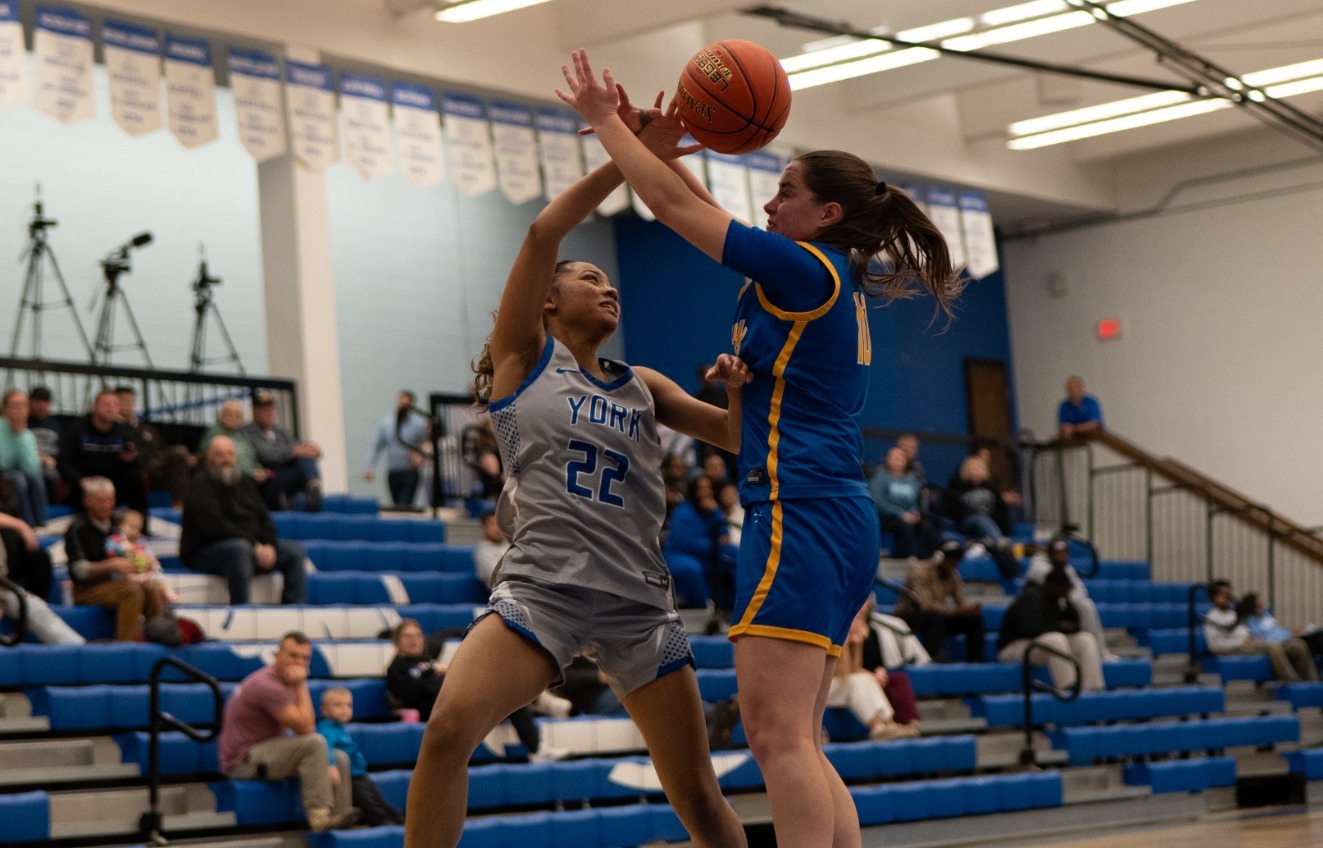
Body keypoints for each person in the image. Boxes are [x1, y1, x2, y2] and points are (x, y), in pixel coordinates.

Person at [560, 52, 960, 848]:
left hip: (801, 512)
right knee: (799, 741)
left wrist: (608, 121)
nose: (770, 202)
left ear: (828, 214)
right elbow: (690, 198)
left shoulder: (804, 269)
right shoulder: (817, 271)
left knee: (776, 738)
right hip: (829, 513)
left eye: (787, 192)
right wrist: (658, 147)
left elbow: (676, 208)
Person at [402, 95, 749, 848]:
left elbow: (732, 437)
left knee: (694, 790)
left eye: (609, 280)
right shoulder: (522, 363)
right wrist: (632, 155)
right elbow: (543, 230)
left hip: (636, 601)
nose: (606, 287)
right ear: (548, 300)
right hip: (544, 589)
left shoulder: (644, 384)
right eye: (588, 278)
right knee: (446, 732)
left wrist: (738, 389)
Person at [219, 632, 359, 832]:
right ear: (278, 655)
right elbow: (306, 728)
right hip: (243, 761)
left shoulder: (285, 681)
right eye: (293, 655)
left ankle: (341, 823)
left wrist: (329, 762)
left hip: (267, 751)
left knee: (340, 758)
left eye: (305, 658)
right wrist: (301, 684)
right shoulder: (266, 684)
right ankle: (320, 817)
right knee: (315, 743)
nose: (299, 663)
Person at [384, 619, 560, 760]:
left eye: (418, 635)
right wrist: (433, 673)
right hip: (441, 710)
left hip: (462, 703)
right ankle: (539, 721)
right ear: (397, 642)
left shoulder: (428, 658)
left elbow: (447, 633)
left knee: (509, 692)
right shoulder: (397, 668)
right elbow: (414, 693)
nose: (414, 640)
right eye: (408, 636)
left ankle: (537, 728)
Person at [179, 436, 307, 605]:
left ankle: (294, 609)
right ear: (210, 458)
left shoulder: (245, 482)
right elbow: (215, 525)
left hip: (250, 548)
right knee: (240, 548)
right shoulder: (201, 484)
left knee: (294, 552)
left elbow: (264, 518)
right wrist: (254, 544)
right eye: (220, 455)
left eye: (230, 454)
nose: (226, 459)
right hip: (206, 551)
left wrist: (269, 544)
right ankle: (241, 610)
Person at [63, 477, 172, 642]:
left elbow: (137, 545)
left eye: (110, 500)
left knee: (152, 587)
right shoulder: (77, 528)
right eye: (101, 501)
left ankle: (160, 640)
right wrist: (110, 565)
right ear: (87, 501)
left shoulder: (120, 522)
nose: (107, 505)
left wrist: (144, 559)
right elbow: (78, 570)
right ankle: (128, 646)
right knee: (132, 590)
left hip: (124, 580)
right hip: (87, 588)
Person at [996, 565, 1105, 692]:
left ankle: (1092, 690)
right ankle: (1068, 690)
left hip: (1041, 646)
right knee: (1055, 639)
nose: (1066, 592)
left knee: (1086, 640)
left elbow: (1075, 626)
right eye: (1063, 588)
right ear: (1053, 586)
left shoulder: (1058, 600)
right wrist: (1058, 626)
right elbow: (1029, 629)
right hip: (1013, 648)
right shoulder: (1032, 597)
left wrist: (1068, 602)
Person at [826, 602, 920, 741]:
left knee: (863, 679)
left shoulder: (853, 635)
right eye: (854, 619)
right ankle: (877, 727)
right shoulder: (832, 633)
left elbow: (855, 670)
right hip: (822, 689)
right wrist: (844, 642)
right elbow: (841, 673)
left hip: (840, 686)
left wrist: (857, 645)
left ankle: (888, 724)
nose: (856, 623)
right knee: (859, 681)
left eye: (858, 619)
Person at [317, 688, 405, 827]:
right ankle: (388, 826)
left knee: (381, 802)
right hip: (351, 779)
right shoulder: (326, 729)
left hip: (360, 775)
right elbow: (324, 748)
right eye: (338, 705)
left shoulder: (340, 728)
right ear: (325, 710)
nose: (344, 709)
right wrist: (331, 764)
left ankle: (401, 824)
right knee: (370, 806)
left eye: (348, 705)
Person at [1204, 581, 1317, 683]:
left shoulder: (1233, 614)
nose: (1227, 596)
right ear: (1214, 597)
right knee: (1273, 647)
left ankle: (1314, 684)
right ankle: (1294, 683)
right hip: (1237, 648)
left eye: (1228, 593)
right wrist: (1240, 641)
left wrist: (1254, 638)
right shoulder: (1212, 618)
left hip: (1253, 642)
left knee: (1298, 645)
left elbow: (1249, 631)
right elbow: (1213, 646)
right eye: (1223, 594)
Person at [57, 389, 147, 516]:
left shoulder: (125, 432)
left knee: (136, 478)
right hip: (84, 481)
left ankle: (139, 525)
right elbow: (63, 462)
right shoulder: (76, 429)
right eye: (106, 404)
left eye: (115, 404)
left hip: (114, 483)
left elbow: (138, 463)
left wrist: (129, 460)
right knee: (90, 491)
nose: (111, 408)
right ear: (94, 407)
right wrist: (80, 480)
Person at [893, 541, 985, 663]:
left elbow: (960, 600)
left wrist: (969, 609)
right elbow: (924, 605)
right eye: (951, 560)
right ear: (940, 558)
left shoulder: (952, 573)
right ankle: (934, 655)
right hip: (911, 615)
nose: (954, 564)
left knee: (973, 619)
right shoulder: (920, 570)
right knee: (934, 616)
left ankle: (976, 660)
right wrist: (956, 611)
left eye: (956, 561)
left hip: (938, 616)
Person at [1024, 536, 1111, 660]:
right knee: (1084, 606)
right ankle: (1099, 653)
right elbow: (1068, 594)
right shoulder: (1039, 567)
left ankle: (1099, 652)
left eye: (1064, 552)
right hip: (1042, 615)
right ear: (1050, 553)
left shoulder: (1067, 568)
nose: (1062, 556)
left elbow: (1080, 592)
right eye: (1058, 553)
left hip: (1058, 609)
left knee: (1086, 604)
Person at [113, 386, 193, 509]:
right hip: (133, 471)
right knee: (179, 451)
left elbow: (162, 450)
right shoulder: (113, 428)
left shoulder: (147, 428)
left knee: (185, 456)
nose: (128, 404)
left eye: (131, 400)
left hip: (157, 469)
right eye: (124, 400)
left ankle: (180, 504)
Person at [242, 391, 323, 512]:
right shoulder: (248, 431)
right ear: (255, 412)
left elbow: (296, 447)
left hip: (287, 470)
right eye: (264, 410)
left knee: (306, 459)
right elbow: (265, 454)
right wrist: (292, 452)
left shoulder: (281, 431)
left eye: (271, 409)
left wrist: (310, 449)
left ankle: (313, 484)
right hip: (268, 472)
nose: (269, 413)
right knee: (299, 457)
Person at [662, 475, 728, 609]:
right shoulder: (682, 512)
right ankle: (706, 609)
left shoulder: (713, 511)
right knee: (693, 569)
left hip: (705, 554)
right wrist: (714, 544)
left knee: (734, 555)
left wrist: (716, 511)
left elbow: (725, 536)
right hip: (678, 554)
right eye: (701, 488)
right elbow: (684, 543)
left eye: (708, 488)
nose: (706, 492)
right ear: (694, 491)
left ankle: (736, 605)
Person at [364, 391, 430, 509]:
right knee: (396, 505)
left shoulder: (418, 424)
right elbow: (378, 446)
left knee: (404, 505)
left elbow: (425, 443)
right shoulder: (386, 423)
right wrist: (370, 467)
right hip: (393, 471)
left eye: (406, 403)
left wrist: (419, 457)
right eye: (401, 401)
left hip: (410, 472)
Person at [869, 445, 933, 559]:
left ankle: (926, 560)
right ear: (887, 460)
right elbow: (878, 502)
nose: (898, 460)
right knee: (904, 526)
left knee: (926, 526)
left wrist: (916, 513)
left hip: (909, 516)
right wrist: (901, 514)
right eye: (894, 457)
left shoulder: (912, 479)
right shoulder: (880, 478)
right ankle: (903, 560)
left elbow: (920, 500)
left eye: (901, 457)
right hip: (886, 518)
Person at [1238, 591, 1323, 676]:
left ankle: (1315, 683)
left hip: (1288, 637)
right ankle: (1310, 683)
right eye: (1260, 605)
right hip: (1281, 643)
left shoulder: (1266, 617)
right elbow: (1266, 639)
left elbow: (1276, 630)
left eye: (1263, 604)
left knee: (1319, 635)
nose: (1263, 607)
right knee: (1303, 645)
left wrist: (1291, 632)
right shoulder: (1250, 623)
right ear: (1252, 608)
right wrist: (1290, 635)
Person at [0, 391, 48, 528]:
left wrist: (20, 435)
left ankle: (41, 522)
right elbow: (4, 463)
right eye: (15, 405)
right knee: (19, 479)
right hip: (3, 472)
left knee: (35, 477)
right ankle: (28, 524)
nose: (19, 410)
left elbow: (32, 468)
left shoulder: (27, 434)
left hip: (17, 472)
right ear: (5, 408)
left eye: (23, 406)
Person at [198, 400, 264, 480]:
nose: (232, 417)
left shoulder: (241, 434)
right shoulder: (214, 432)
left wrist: (258, 469)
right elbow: (208, 458)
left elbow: (251, 455)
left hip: (251, 475)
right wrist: (250, 473)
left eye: (236, 414)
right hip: (230, 476)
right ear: (222, 414)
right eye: (229, 414)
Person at [26, 386, 62, 500]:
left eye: (45, 402)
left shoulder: (56, 425)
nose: (41, 406)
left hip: (52, 465)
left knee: (53, 476)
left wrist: (54, 460)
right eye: (37, 402)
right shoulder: (24, 423)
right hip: (30, 464)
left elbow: (63, 449)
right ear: (31, 402)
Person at [471, 510, 508, 590]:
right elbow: (501, 578)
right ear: (483, 528)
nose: (497, 528)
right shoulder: (483, 552)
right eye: (492, 524)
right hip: (504, 595)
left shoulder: (510, 544)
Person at [1058, 376, 1103, 440]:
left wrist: (1074, 429)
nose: (1073, 391)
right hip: (1073, 440)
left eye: (1076, 388)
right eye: (1070, 389)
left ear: (1081, 388)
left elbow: (1094, 424)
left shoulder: (1091, 402)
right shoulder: (1064, 405)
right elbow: (1062, 427)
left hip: (1094, 438)